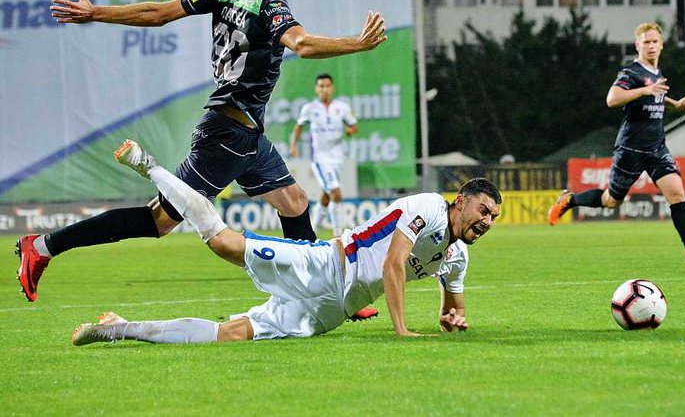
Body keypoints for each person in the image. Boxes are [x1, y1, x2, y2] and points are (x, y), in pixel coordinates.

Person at [16, 0, 387, 304]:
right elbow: (303, 45)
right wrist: (357, 43)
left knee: (294, 202)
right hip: (227, 135)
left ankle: (320, 291)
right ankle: (43, 247)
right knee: (159, 220)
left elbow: (157, 13)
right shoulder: (271, 2)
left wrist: (97, 13)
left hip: (247, 135)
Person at [71, 140, 501, 344]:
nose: (486, 222)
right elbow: (393, 266)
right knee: (222, 243)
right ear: (460, 202)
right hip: (326, 266)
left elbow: (454, 309)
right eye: (483, 211)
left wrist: (453, 320)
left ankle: (117, 330)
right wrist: (403, 330)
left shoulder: (456, 255)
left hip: (332, 311)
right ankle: (149, 166)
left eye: (493, 219)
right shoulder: (426, 204)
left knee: (232, 336)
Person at [547, 22, 685, 266]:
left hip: (656, 147)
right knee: (611, 201)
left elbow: (654, 93)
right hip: (631, 148)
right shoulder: (631, 72)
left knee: (677, 193)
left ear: (662, 45)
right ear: (638, 45)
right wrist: (644, 92)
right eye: (646, 42)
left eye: (654, 41)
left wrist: (675, 104)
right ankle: (569, 200)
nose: (651, 46)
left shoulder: (655, 73)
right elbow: (612, 98)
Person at [289, 74, 358, 237]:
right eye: (321, 86)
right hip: (320, 159)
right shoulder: (310, 109)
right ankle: (338, 235)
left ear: (332, 88)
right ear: (316, 89)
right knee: (336, 194)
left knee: (326, 196)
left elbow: (354, 127)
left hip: (338, 158)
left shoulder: (342, 108)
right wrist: (293, 146)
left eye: (327, 86)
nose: (324, 89)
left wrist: (349, 131)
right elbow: (299, 127)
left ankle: (312, 230)